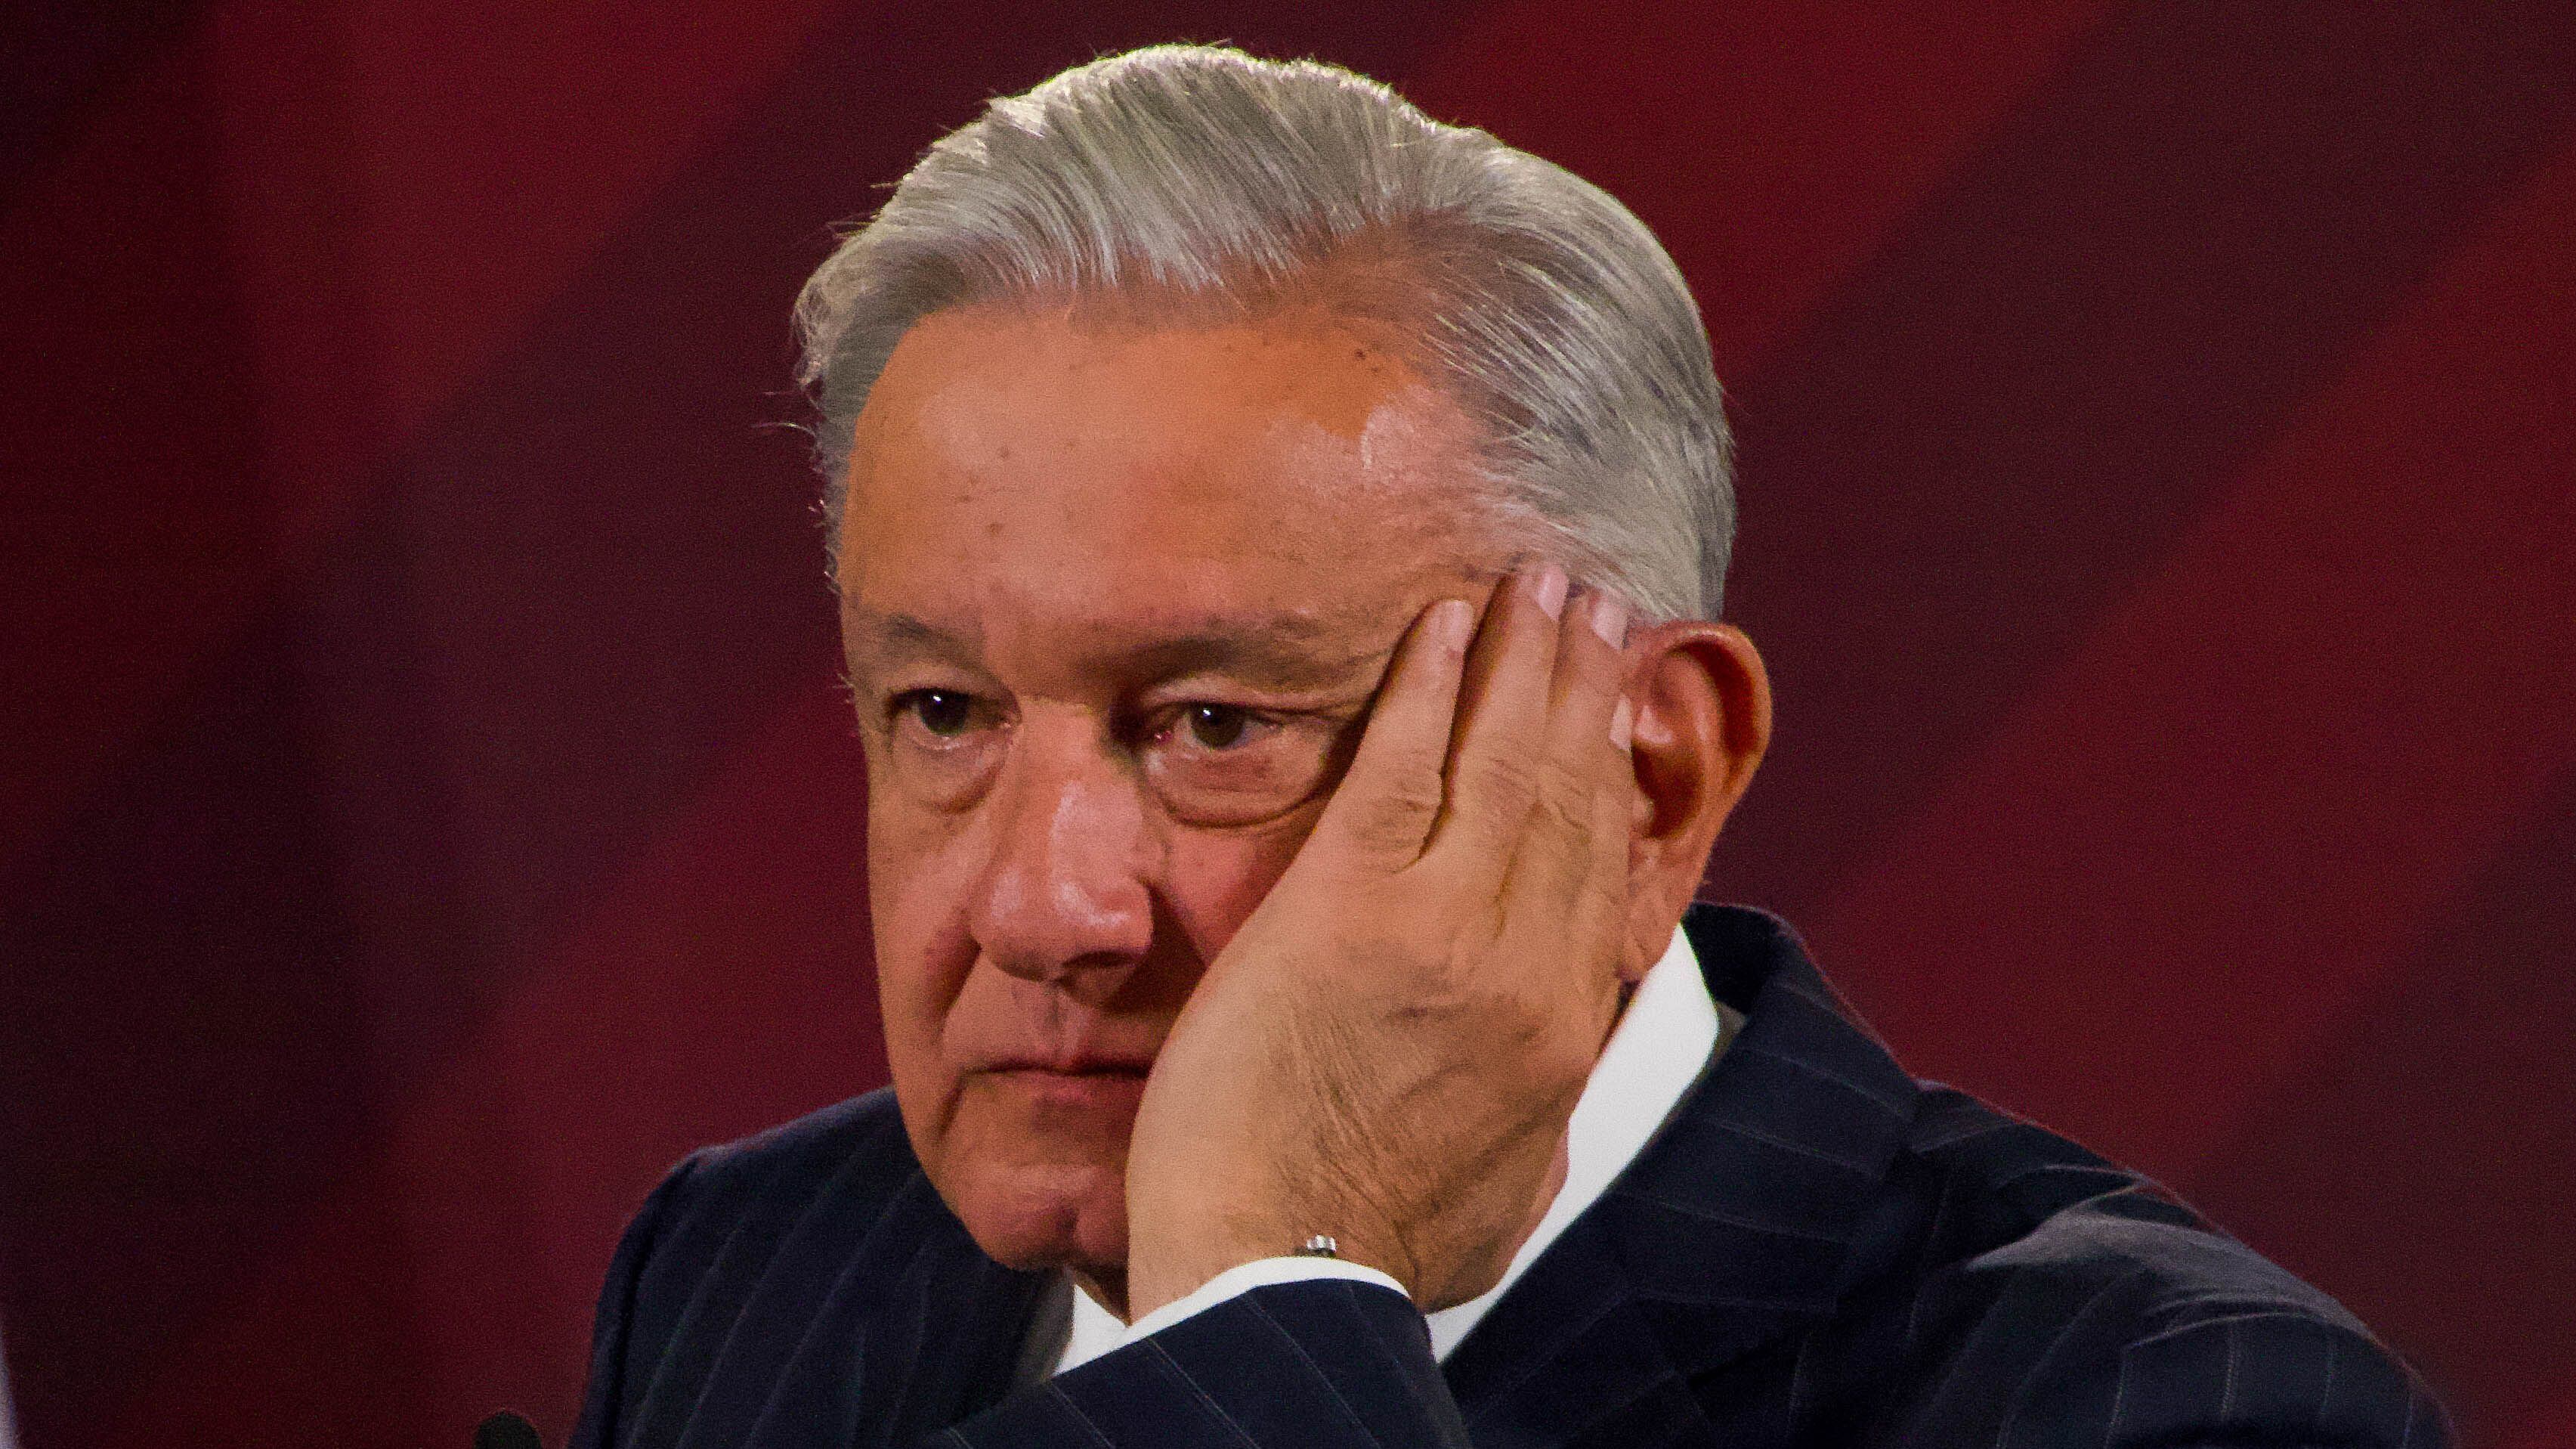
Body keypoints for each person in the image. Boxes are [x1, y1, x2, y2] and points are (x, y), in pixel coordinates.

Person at [568, 44, 2447, 1448]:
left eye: (1216, 722)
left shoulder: (2170, 1403)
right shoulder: (750, 1269)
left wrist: (1266, 1289)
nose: (1043, 903)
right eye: (946, 712)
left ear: (1649, 775)